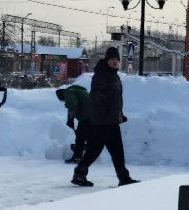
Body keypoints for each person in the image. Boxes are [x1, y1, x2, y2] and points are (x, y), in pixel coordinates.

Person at [72, 46, 139, 187]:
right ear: (107, 60)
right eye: (112, 59)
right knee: (115, 150)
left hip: (109, 119)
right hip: (103, 121)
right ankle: (123, 178)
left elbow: (113, 99)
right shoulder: (101, 75)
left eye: (117, 59)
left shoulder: (113, 75)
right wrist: (105, 112)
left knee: (97, 149)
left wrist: (119, 114)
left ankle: (80, 173)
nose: (115, 61)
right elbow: (96, 96)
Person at [55, 81, 91, 163]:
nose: (64, 102)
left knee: (80, 137)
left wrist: (70, 119)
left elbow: (72, 104)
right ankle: (85, 150)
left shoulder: (69, 92)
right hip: (94, 115)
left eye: (63, 101)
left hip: (87, 117)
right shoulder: (76, 91)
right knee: (85, 135)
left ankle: (77, 157)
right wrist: (70, 120)